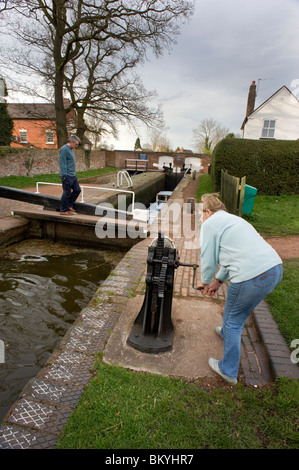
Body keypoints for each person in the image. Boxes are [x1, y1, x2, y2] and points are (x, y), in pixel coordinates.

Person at [198, 193, 283, 385]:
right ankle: (227, 333)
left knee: (233, 320)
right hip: (274, 269)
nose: (200, 218)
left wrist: (204, 281)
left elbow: (207, 257)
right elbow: (234, 255)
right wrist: (218, 282)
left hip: (251, 276)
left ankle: (228, 370)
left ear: (208, 212)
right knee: (238, 312)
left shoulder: (210, 224)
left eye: (201, 213)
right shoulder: (234, 220)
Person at [59, 135, 81, 215]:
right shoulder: (64, 149)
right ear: (71, 142)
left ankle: (69, 206)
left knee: (77, 190)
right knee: (67, 193)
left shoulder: (71, 150)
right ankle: (63, 210)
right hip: (67, 175)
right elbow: (62, 163)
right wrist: (64, 175)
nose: (76, 146)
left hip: (73, 175)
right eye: (76, 144)